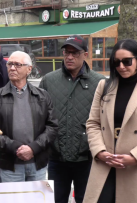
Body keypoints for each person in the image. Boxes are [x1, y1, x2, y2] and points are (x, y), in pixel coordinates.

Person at [39, 35, 105, 203]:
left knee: (87, 199)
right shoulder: (48, 81)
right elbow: (40, 117)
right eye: (66, 52)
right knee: (55, 199)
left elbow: (104, 121)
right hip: (56, 158)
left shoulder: (100, 83)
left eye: (75, 53)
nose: (69, 57)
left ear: (85, 54)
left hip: (87, 159)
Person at [0, 51, 57, 182]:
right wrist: (14, 147)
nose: (12, 68)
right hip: (10, 166)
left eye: (17, 65)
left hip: (37, 164)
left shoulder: (42, 96)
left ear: (29, 69)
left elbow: (52, 127)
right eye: (10, 64)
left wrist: (33, 148)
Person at [83, 39, 137, 203]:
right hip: (105, 164)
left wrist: (134, 157)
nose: (121, 67)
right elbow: (93, 123)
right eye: (116, 62)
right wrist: (99, 152)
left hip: (132, 167)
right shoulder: (105, 86)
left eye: (127, 61)